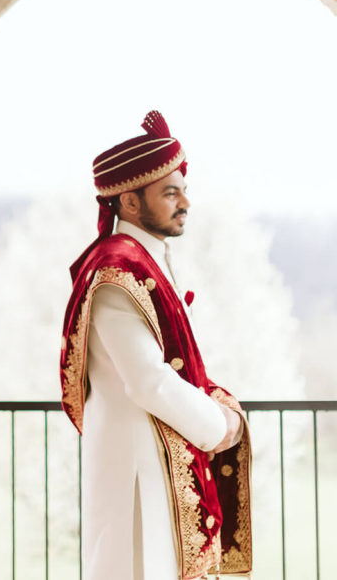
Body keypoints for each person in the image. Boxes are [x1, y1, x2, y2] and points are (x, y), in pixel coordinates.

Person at [59, 112, 252, 580]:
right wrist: (219, 427)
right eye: (170, 192)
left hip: (157, 458)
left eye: (183, 189)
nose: (185, 202)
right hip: (139, 468)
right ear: (128, 199)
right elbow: (148, 380)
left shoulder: (144, 259)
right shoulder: (117, 271)